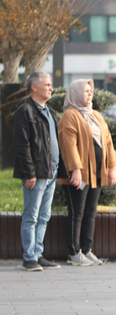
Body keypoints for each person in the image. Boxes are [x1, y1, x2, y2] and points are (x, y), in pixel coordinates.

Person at [58, 79, 116, 267]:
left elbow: (108, 141)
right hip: (80, 174)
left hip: (97, 172)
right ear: (76, 93)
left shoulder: (96, 115)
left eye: (91, 90)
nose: (89, 93)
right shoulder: (70, 115)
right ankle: (74, 252)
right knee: (77, 212)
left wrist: (112, 168)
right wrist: (75, 170)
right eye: (85, 90)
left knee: (90, 212)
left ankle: (86, 249)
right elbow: (69, 145)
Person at [13, 71, 66, 271]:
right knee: (31, 216)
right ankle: (29, 258)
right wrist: (29, 173)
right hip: (36, 174)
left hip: (51, 171)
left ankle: (38, 253)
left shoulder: (49, 111)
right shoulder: (24, 111)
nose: (51, 88)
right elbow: (22, 146)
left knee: (44, 215)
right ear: (34, 87)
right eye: (47, 85)